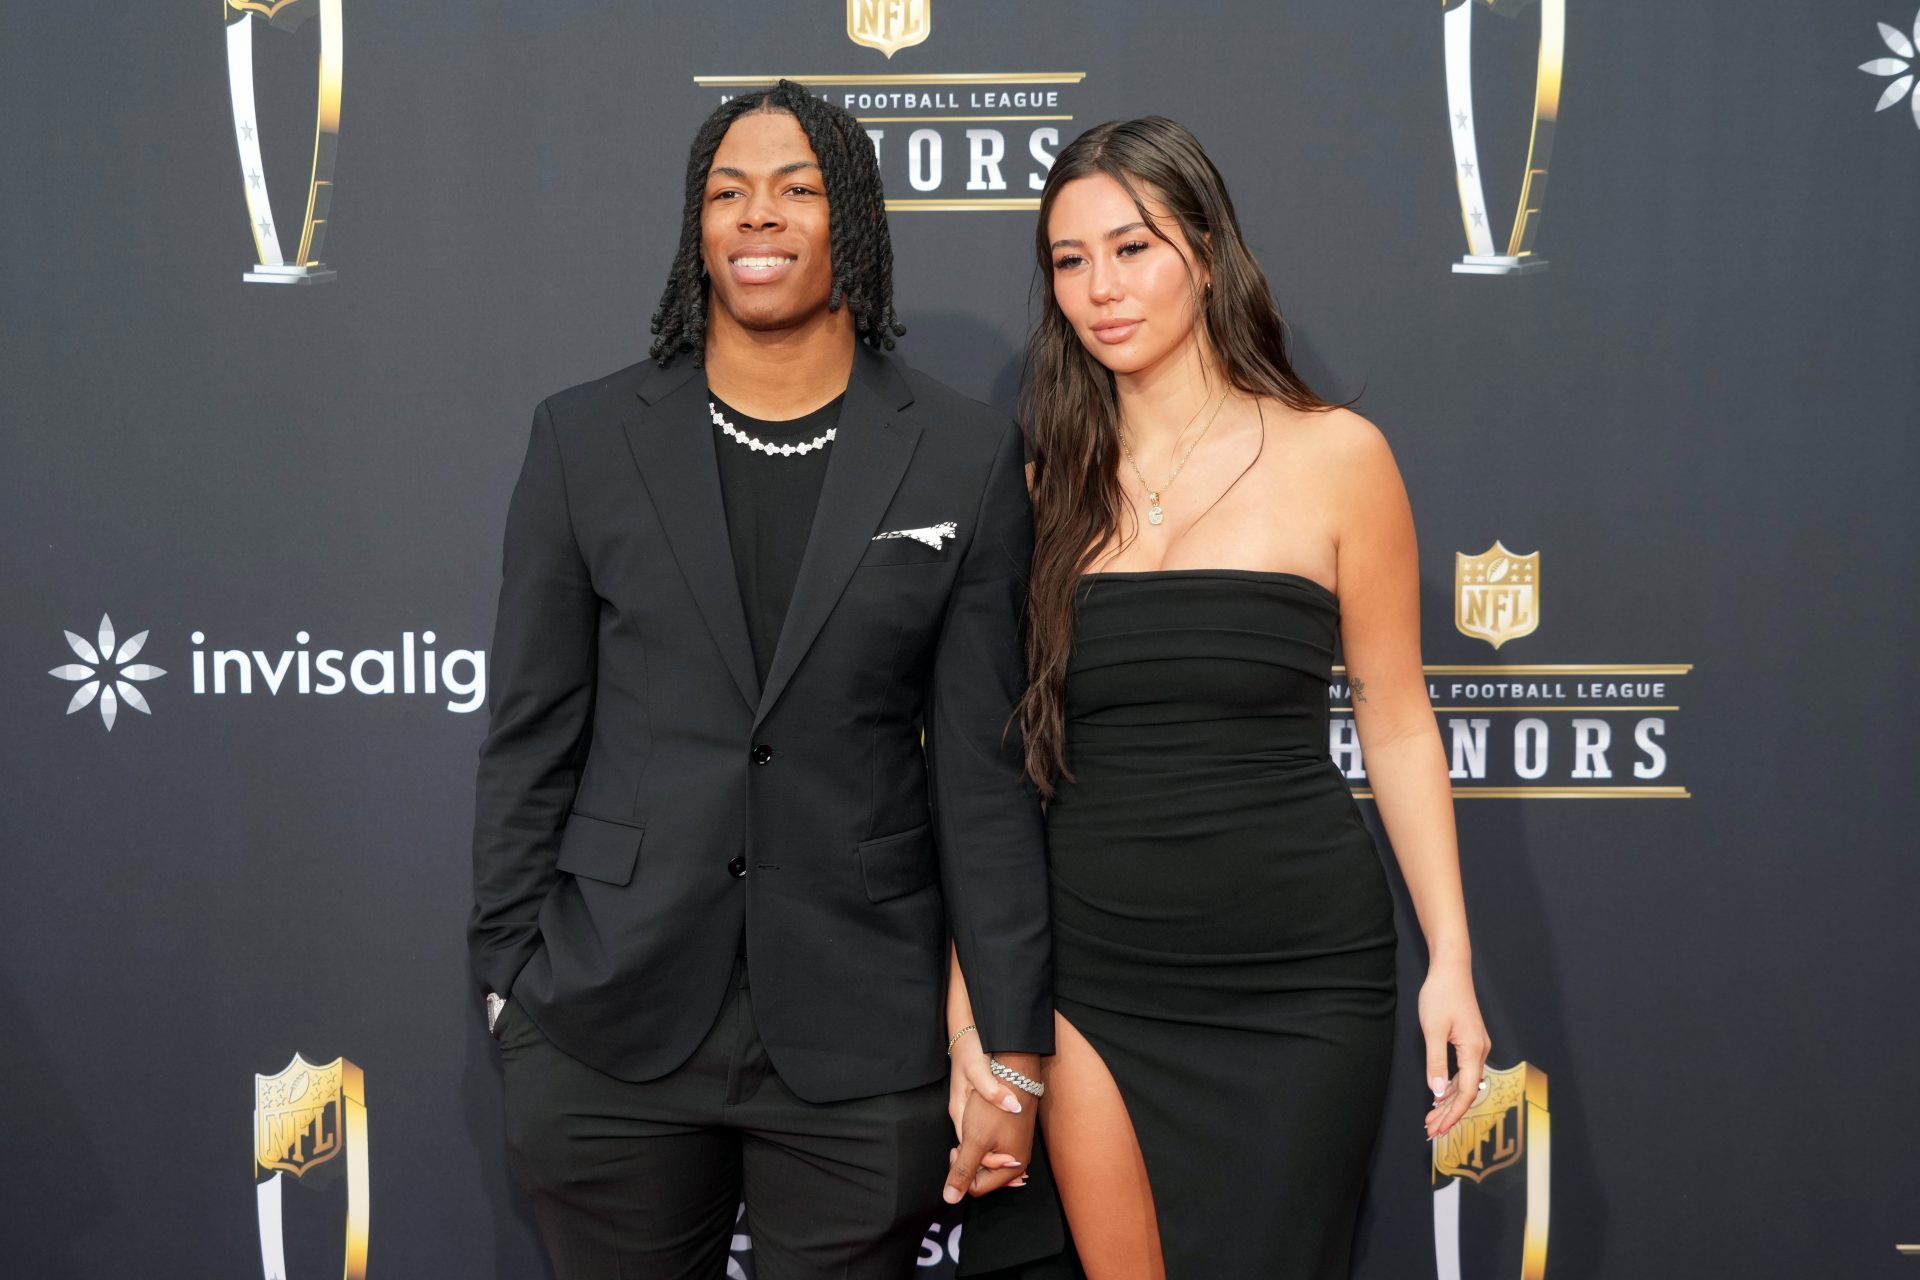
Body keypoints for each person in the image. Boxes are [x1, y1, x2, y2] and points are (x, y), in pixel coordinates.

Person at [468, 80, 1051, 1279]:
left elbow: (984, 778)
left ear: (856, 225)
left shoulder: (961, 451)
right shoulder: (585, 438)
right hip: (606, 1015)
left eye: (796, 188)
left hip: (860, 1024)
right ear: (697, 227)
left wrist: (1007, 1040)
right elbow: (531, 730)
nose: (757, 216)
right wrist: (506, 981)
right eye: (727, 192)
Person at [951, 117, 1491, 1280]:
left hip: (1299, 973)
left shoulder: (1337, 454)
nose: (1102, 287)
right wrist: (975, 1005)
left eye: (1133, 246)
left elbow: (1396, 719)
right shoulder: (1037, 487)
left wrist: (1450, 954)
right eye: (1069, 259)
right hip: (1095, 967)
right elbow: (993, 768)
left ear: (1204, 246)